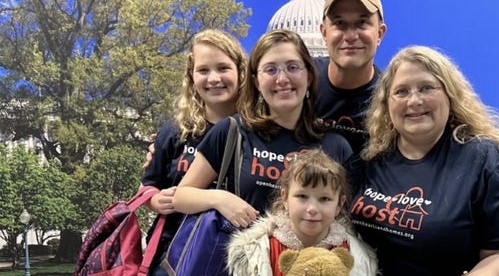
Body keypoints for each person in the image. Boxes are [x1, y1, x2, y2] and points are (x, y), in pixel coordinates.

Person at [315, 0, 499, 220]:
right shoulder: (297, 86)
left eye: (362, 23)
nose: (350, 35)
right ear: (324, 33)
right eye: (340, 24)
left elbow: (455, 144)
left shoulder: (394, 99)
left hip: (381, 219)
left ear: (380, 33)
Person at [347, 45, 499, 275]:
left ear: (450, 95)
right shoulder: (369, 161)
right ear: (387, 104)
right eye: (401, 91)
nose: (414, 100)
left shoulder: (486, 159)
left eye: (426, 88)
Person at [172, 29, 353, 228]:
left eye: (292, 67)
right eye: (270, 69)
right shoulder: (233, 131)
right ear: (257, 82)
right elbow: (181, 196)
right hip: (240, 256)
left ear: (309, 76)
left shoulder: (335, 146)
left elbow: (345, 220)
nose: (282, 79)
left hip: (307, 258)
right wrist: (219, 199)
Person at [140, 29, 247, 275]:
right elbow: (148, 186)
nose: (213, 78)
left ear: (241, 72)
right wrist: (156, 201)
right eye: (203, 70)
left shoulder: (256, 132)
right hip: (174, 256)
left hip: (233, 257)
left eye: (223, 68)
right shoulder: (175, 132)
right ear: (191, 77)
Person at [226, 149, 377, 276]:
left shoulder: (358, 257)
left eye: (324, 199)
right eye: (302, 197)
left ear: (339, 204)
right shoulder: (258, 251)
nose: (312, 209)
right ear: (285, 198)